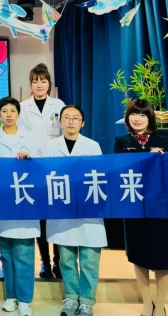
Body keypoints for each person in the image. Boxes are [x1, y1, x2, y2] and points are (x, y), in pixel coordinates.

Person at [45, 105, 106, 316]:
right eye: (67, 117)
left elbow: (99, 176)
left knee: (89, 260)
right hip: (62, 211)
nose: (71, 121)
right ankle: (71, 299)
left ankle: (87, 301)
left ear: (83, 122)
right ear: (60, 121)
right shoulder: (50, 147)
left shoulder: (92, 145)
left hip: (88, 211)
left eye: (76, 118)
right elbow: (45, 175)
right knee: (66, 259)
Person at [0, 97, 40, 316]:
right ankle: (11, 296)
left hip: (25, 198)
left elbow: (41, 165)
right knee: (6, 254)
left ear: (18, 113)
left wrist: (29, 159)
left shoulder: (30, 137)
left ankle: (25, 299)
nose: (8, 114)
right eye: (4, 111)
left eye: (12, 111)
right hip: (2, 199)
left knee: (24, 254)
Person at [115, 99, 168, 316]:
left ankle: (161, 306)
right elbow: (119, 168)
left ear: (150, 118)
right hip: (134, 207)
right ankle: (147, 305)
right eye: (134, 114)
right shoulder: (121, 141)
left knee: (163, 259)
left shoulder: (164, 139)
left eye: (143, 115)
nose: (137, 119)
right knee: (139, 257)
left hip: (161, 209)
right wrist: (146, 156)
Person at [18, 63, 65, 279]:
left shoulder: (58, 104)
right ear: (30, 83)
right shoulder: (22, 106)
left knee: (57, 216)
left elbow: (64, 133)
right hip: (32, 167)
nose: (39, 85)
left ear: (49, 83)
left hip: (55, 166)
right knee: (41, 219)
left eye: (43, 81)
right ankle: (45, 262)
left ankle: (58, 261)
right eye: (35, 81)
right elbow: (20, 135)